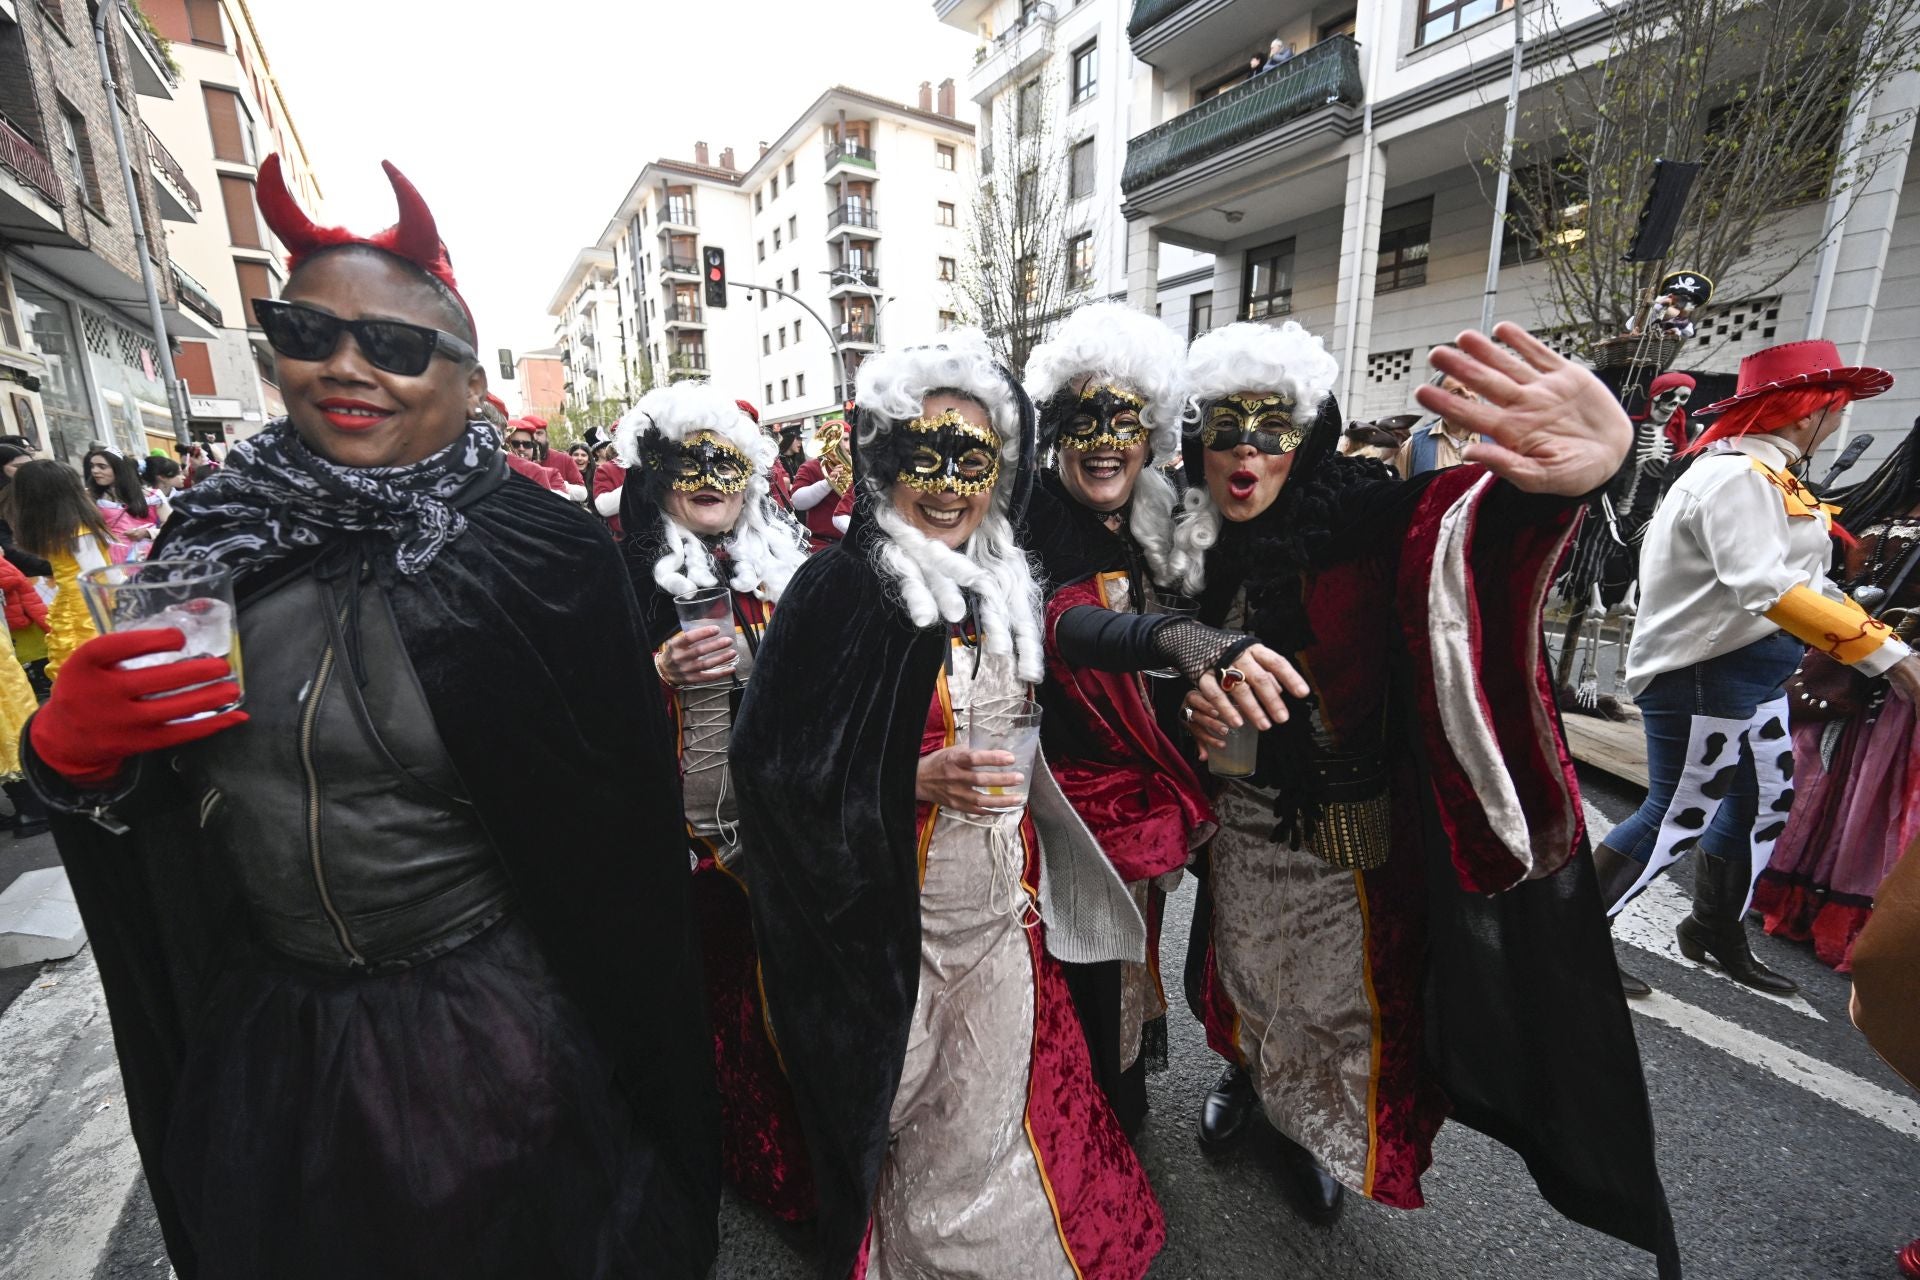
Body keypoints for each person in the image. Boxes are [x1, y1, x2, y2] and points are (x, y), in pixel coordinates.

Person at [20, 154, 719, 1279]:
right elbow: (157, 814)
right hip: (280, 1038)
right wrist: (69, 756)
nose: (346, 367)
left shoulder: (541, 555)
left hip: (498, 1030)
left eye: (393, 344)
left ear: (464, 369)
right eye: (306, 331)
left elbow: (619, 848)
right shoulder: (210, 544)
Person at [1171, 320, 1679, 1275]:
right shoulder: (1189, 540)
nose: (1246, 449)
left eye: (1271, 426)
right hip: (1233, 819)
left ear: (1309, 436)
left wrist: (1582, 482)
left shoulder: (1366, 518)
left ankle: (1300, 1123)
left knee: (1336, 990)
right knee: (1238, 959)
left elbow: (1465, 534)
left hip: (1345, 821)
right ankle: (1245, 1074)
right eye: (1224, 428)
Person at [735, 332, 1207, 1280]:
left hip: (1001, 915)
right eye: (926, 456)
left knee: (983, 1125)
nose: (950, 484)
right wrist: (907, 778)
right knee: (899, 1107)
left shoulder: (1008, 586)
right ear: (884, 463)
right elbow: (770, 765)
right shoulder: (838, 589)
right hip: (888, 931)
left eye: (974, 460)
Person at [1597, 340, 1920, 997]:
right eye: (1839, 407)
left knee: (1764, 800)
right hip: (1705, 671)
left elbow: (1810, 584)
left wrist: (1884, 647)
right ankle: (1567, 940)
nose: (1842, 420)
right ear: (1807, 414)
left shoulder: (1764, 475)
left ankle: (1714, 928)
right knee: (1680, 810)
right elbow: (1766, 588)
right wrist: (1888, 655)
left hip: (1750, 671)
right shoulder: (1738, 478)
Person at [612, 382, 814, 1222]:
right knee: (715, 994)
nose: (709, 478)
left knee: (794, 988)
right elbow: (580, 703)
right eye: (688, 461)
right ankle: (739, 1153)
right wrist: (655, 672)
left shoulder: (785, 567)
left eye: (726, 461)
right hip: (685, 838)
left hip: (789, 820)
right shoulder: (615, 572)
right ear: (655, 477)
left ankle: (806, 1146)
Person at [1019, 301, 1220, 1135]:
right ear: (1055, 433)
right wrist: (1172, 636)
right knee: (1071, 960)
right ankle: (1075, 1116)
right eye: (1082, 418)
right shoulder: (1030, 516)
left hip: (1149, 789)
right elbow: (1066, 621)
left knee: (1133, 951)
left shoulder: (1166, 518)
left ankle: (1118, 1094)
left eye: (1123, 418)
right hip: (1060, 792)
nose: (1104, 439)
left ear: (1152, 431)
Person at [1755, 419, 1920, 970]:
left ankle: (1799, 895)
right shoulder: (1885, 513)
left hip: (1865, 668)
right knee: (1859, 790)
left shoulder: (1880, 511)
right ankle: (1838, 911)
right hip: (1881, 674)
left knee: (1849, 789)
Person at [2, 460, 122, 679]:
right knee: (101, 665)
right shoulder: (78, 529)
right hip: (92, 605)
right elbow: (99, 574)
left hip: (67, 603)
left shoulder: (50, 528)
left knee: (75, 664)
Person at [1394, 372, 1482, 476]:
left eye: (1469, 388)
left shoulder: (1500, 441)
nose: (1467, 395)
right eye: (1455, 392)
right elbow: (1403, 489)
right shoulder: (1414, 445)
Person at [788, 418, 854, 550]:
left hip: (854, 542)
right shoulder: (811, 467)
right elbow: (797, 501)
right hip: (824, 545)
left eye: (846, 440)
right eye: (839, 440)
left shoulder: (858, 466)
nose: (844, 446)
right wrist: (828, 483)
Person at [84, 447, 162, 550]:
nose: (94, 471)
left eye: (102, 467)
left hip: (147, 558)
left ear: (119, 469)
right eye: (92, 466)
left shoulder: (153, 496)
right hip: (109, 559)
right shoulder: (88, 497)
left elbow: (174, 526)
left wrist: (148, 533)